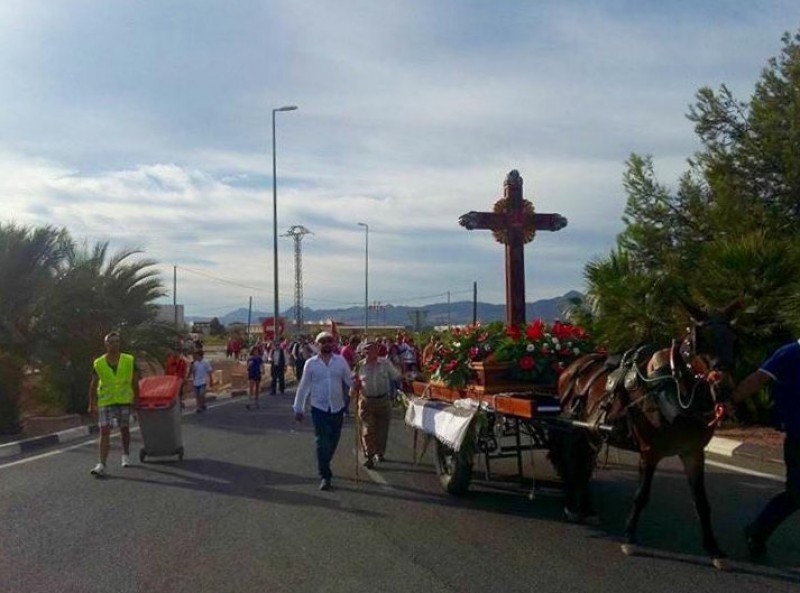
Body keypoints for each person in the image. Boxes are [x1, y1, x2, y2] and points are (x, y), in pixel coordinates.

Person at [730, 338, 800, 559]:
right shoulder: (789, 353)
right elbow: (758, 378)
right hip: (799, 437)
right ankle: (757, 531)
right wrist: (731, 400)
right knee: (797, 494)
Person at [292, 331, 354, 491]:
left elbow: (349, 380)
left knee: (333, 440)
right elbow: (303, 387)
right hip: (319, 408)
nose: (326, 344)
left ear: (333, 343)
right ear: (317, 344)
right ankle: (325, 475)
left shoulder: (340, 361)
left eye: (329, 341)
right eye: (323, 341)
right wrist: (298, 408)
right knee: (321, 441)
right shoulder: (311, 364)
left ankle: (324, 462)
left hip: (337, 407)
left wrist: (358, 385)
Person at [88, 331, 140, 476]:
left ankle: (125, 454)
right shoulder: (98, 363)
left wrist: (137, 398)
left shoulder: (128, 360)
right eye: (111, 342)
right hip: (106, 400)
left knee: (124, 428)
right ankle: (102, 464)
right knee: (104, 431)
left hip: (124, 400)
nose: (114, 344)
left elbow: (135, 380)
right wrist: (91, 403)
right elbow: (93, 384)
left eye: (117, 341)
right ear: (106, 344)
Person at [353, 339, 402, 469]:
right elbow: (353, 386)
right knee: (367, 430)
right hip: (366, 402)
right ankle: (369, 456)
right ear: (363, 352)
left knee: (382, 430)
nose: (370, 352)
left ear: (377, 350)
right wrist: (354, 387)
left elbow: (396, 376)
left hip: (383, 401)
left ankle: (379, 452)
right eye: (367, 349)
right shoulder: (359, 366)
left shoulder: (385, 363)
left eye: (373, 349)